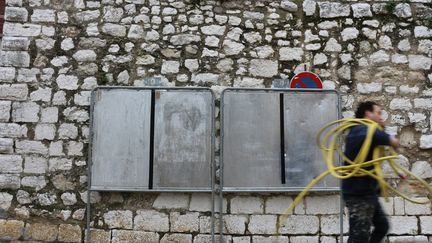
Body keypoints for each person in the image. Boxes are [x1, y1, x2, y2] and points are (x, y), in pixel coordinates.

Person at [342, 101, 400, 243]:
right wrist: (388, 136)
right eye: (378, 113)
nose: (381, 117)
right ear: (368, 114)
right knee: (359, 236)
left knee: (382, 226)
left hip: (368, 191)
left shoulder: (364, 131)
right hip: (358, 193)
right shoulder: (362, 130)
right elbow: (393, 142)